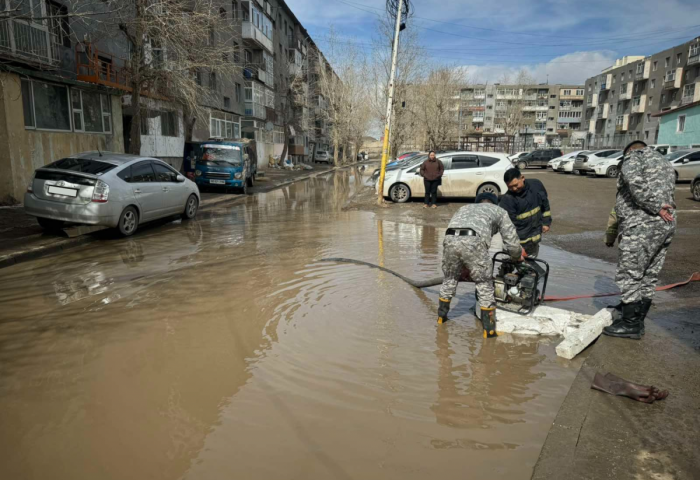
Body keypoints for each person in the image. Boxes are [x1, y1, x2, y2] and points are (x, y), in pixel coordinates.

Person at [602, 140, 676, 340]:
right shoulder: (664, 161)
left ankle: (630, 324)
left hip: (642, 224)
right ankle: (637, 317)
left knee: (630, 273)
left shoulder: (633, 157)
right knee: (648, 274)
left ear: (629, 151)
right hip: (666, 224)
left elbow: (635, 184)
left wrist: (654, 206)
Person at [437, 192, 525, 338]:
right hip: (474, 241)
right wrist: (517, 257)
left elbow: (457, 238)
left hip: (449, 239)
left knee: (449, 279)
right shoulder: (499, 211)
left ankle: (441, 318)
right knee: (484, 284)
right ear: (494, 202)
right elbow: (511, 240)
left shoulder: (464, 208)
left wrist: (463, 264)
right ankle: (489, 331)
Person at [499, 167, 552, 258]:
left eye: (516, 185)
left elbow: (545, 205)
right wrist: (516, 248)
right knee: (508, 264)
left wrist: (546, 223)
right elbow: (508, 228)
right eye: (510, 187)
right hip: (517, 242)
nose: (514, 189)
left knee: (529, 268)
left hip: (534, 240)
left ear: (522, 178)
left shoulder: (536, 185)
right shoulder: (507, 200)